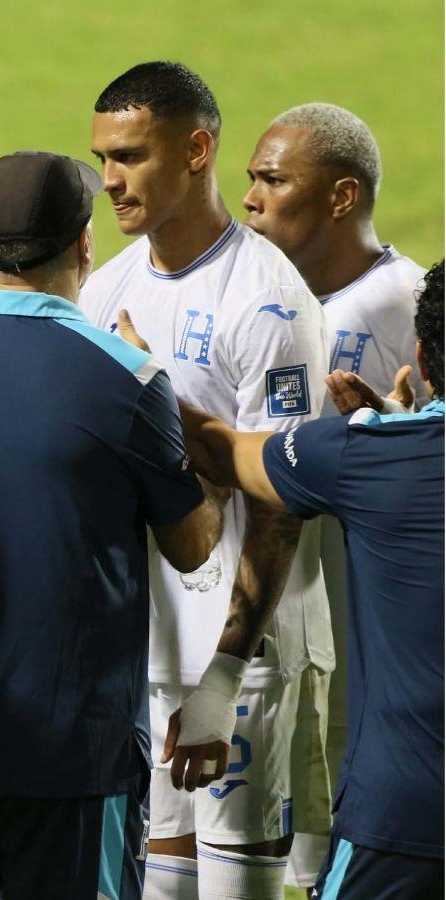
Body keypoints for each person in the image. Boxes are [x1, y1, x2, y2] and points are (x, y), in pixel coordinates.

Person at [0, 150, 227, 899]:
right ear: (84, 243)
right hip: (73, 752)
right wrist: (190, 434)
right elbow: (193, 543)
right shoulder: (127, 377)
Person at [79, 61, 331, 899]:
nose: (109, 180)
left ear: (195, 149)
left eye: (130, 156)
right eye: (102, 157)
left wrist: (225, 676)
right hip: (143, 650)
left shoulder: (268, 303)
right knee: (156, 889)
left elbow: (283, 499)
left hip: (241, 651)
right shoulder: (104, 290)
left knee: (231, 894)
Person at [117, 258, 445, 899]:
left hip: (405, 811)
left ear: (423, 357)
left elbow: (222, 451)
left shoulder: (368, 455)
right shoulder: (379, 453)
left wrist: (144, 375)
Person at [241, 101, 428, 890]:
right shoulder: (275, 298)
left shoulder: (399, 305)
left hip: (368, 653)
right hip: (305, 633)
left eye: (275, 180)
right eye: (251, 178)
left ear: (342, 198)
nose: (249, 197)